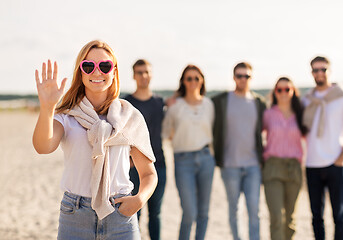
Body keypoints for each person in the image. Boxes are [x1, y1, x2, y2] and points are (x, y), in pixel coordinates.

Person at [32, 40, 158, 240]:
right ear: (80, 72)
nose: (97, 72)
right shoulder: (67, 116)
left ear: (114, 72)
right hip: (75, 216)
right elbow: (43, 146)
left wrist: (139, 200)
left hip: (121, 216)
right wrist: (47, 107)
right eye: (89, 66)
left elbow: (149, 174)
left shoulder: (130, 117)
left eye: (105, 66)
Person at [302, 56, 343, 240]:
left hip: (336, 164)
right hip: (312, 164)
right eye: (315, 70)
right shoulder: (307, 100)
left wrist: (341, 158)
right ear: (311, 73)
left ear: (330, 71)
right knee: (316, 216)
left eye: (323, 69)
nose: (319, 73)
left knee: (339, 215)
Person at [212, 62, 266, 240]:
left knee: (254, 211)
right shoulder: (221, 100)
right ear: (233, 77)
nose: (243, 79)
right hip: (229, 166)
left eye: (247, 76)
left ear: (251, 78)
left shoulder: (259, 103)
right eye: (239, 76)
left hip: (253, 166)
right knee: (234, 210)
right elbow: (198, 103)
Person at [162, 64, 215, 240]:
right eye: (189, 78)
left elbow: (212, 131)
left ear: (202, 81)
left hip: (206, 159)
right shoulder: (175, 106)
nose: (193, 82)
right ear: (183, 82)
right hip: (183, 161)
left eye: (196, 78)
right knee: (189, 212)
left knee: (204, 212)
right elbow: (166, 132)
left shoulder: (209, 104)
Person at [123, 59, 166, 240]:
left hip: (159, 164)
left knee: (156, 214)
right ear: (134, 75)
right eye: (139, 72)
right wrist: (129, 161)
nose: (143, 76)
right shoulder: (126, 103)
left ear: (152, 74)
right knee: (135, 214)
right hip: (133, 167)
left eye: (147, 72)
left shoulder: (159, 102)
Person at [262, 77, 307, 240]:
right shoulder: (268, 114)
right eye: (279, 90)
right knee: (276, 217)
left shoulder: (301, 113)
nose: (283, 93)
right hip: (273, 167)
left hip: (294, 168)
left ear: (293, 91)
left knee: (290, 219)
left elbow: (312, 136)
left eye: (287, 89)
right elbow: (253, 136)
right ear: (275, 92)